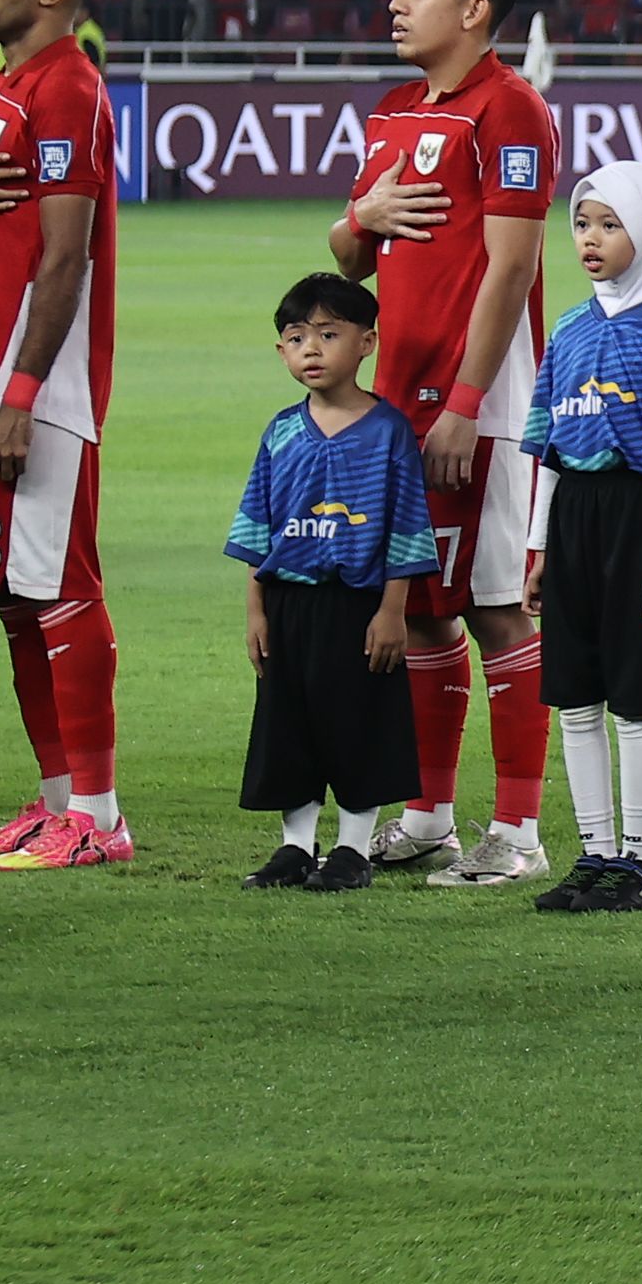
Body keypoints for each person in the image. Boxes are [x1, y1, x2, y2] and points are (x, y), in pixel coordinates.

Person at [329, 0, 558, 886]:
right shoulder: (391, 114)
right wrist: (361, 216)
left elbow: (512, 269)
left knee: (497, 607)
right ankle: (429, 816)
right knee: (425, 612)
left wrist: (466, 403)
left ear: (473, 9)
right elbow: (349, 261)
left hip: (483, 410)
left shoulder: (510, 110)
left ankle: (520, 830)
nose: (395, 2)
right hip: (396, 408)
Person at [0, 0, 130, 872]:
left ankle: (98, 816)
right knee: (13, 594)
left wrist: (21, 396)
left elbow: (66, 260)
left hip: (36, 386)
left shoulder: (69, 89)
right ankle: (56, 802)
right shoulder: (3, 89)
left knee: (59, 588)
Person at [525, 163, 642, 916]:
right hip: (574, 520)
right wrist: (539, 547)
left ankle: (639, 858)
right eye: (582, 224)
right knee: (575, 697)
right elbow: (548, 451)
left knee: (635, 702)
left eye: (611, 224)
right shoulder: (569, 328)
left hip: (641, 519)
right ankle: (595, 853)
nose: (591, 239)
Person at [228, 274, 432, 894]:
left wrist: (392, 611)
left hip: (358, 607)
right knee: (290, 726)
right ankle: (296, 847)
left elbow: (406, 526)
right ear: (281, 351)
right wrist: (256, 611)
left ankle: (352, 849)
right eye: (296, 338)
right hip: (288, 604)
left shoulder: (388, 431)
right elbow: (257, 529)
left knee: (356, 724)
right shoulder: (281, 432)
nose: (311, 349)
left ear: (366, 342)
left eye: (327, 334)